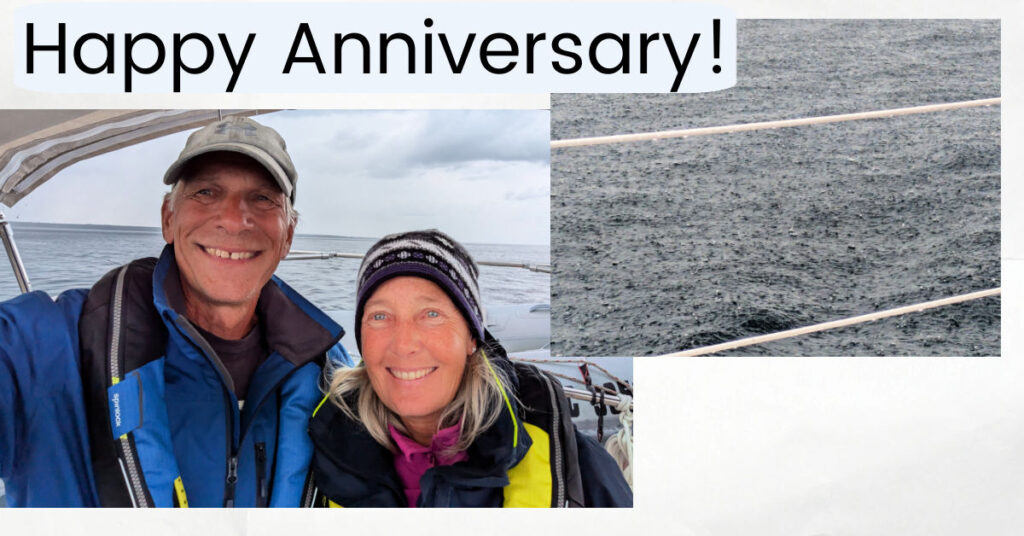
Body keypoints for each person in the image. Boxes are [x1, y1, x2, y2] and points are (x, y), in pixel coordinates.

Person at [0, 115, 351, 507]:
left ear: (287, 235)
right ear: (168, 218)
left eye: (263, 197)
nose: (235, 219)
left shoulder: (328, 369)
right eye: (205, 192)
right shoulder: (46, 345)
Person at [307, 229, 632, 507]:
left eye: (431, 314)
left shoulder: (577, 467)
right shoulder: (320, 454)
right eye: (380, 316)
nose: (404, 343)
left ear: (472, 337)